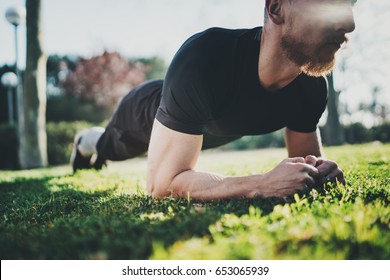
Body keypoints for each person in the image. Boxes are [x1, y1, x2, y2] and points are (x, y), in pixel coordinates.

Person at [71, 0, 356, 200]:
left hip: (197, 126)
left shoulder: (311, 89)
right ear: (276, 8)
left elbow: (305, 163)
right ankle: (85, 141)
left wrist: (320, 172)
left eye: (350, 4)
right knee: (108, 146)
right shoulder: (205, 59)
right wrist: (262, 184)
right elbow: (162, 185)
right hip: (143, 115)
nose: (349, 24)